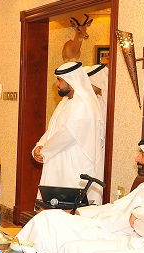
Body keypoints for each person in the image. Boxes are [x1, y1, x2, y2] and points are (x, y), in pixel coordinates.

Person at [19, 137, 144, 253]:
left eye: (142, 154)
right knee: (48, 217)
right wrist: (79, 213)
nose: (137, 158)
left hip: (114, 233)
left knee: (48, 220)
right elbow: (114, 207)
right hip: (101, 225)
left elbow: (136, 223)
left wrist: (92, 221)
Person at [32, 61, 103, 204]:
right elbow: (52, 129)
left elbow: (68, 134)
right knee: (52, 206)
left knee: (69, 207)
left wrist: (44, 151)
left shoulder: (84, 103)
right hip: (58, 162)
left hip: (73, 167)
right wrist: (38, 146)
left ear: (71, 80)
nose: (57, 84)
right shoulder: (65, 102)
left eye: (60, 80)